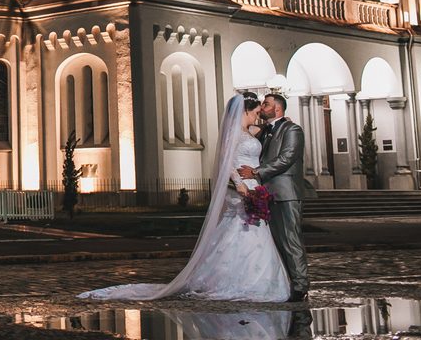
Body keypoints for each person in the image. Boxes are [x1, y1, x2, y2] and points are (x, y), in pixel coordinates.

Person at [80, 93, 289, 301]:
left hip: (255, 186)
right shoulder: (233, 134)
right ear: (244, 112)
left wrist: (281, 124)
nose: (257, 116)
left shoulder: (252, 132)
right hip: (241, 188)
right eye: (254, 113)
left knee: (252, 228)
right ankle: (236, 279)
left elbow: (265, 134)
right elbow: (226, 159)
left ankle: (256, 277)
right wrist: (239, 184)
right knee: (241, 226)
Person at [237, 92, 311, 302]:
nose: (262, 107)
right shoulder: (263, 132)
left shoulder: (292, 129)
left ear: (278, 108)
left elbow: (286, 158)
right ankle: (286, 283)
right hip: (267, 195)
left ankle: (300, 286)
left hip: (286, 194)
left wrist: (256, 172)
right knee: (276, 242)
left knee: (291, 240)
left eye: (266, 104)